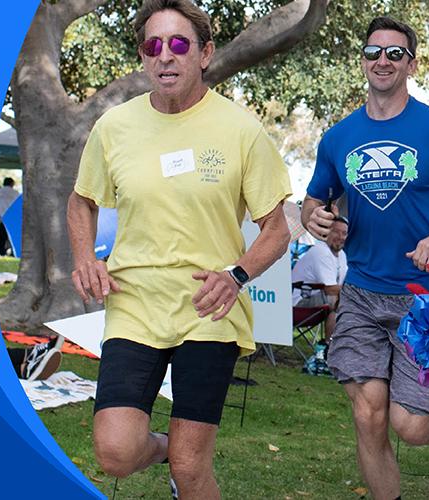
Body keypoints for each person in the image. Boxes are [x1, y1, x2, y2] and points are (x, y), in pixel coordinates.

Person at [68, 2, 293, 497]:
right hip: (135, 305)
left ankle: (183, 460)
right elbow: (81, 201)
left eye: (178, 44)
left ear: (205, 53)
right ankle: (171, 447)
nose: (165, 56)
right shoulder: (114, 127)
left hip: (208, 309)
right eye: (153, 45)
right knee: (116, 453)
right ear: (143, 57)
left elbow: (276, 230)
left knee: (192, 471)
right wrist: (86, 258)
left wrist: (236, 275)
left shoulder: (241, 130)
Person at [301, 16, 429, 498]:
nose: (383, 61)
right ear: (363, 61)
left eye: (395, 53)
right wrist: (316, 218)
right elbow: (315, 200)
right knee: (368, 414)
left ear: (410, 64)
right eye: (374, 52)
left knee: (410, 425)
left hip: (428, 298)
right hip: (364, 292)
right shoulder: (338, 138)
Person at [0, 177, 20, 255]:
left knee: (1, 237)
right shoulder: (16, 193)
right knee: (13, 237)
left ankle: (2, 252)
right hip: (12, 218)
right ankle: (14, 253)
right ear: (12, 184)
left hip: (0, 217)